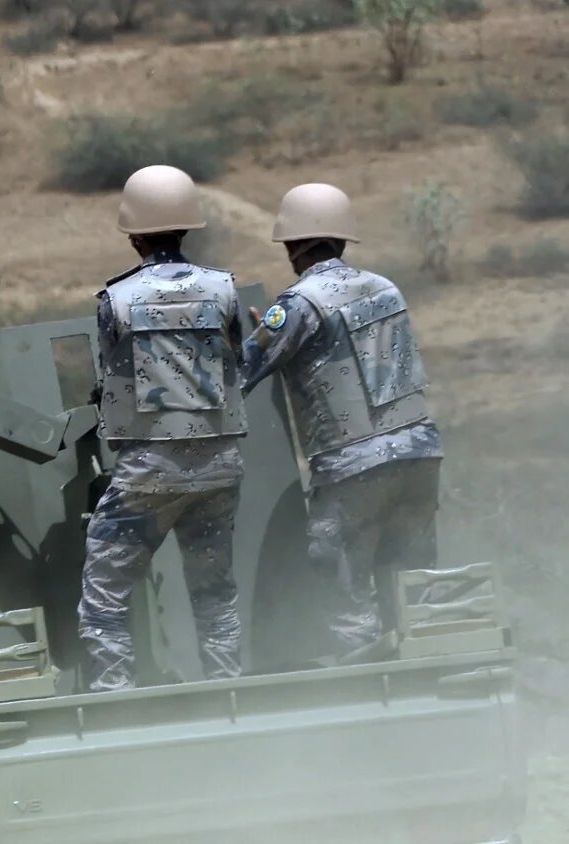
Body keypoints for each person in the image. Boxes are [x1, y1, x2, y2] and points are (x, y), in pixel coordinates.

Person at [242, 183, 443, 654]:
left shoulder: (299, 303)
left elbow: (243, 370)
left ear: (294, 246)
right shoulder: (386, 288)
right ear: (341, 238)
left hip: (353, 467)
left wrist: (256, 336)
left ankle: (370, 690)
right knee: (414, 582)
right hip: (419, 456)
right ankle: (426, 669)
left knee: (345, 584)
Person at [79, 165, 249, 692]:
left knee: (104, 598)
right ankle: (230, 696)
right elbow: (236, 361)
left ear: (134, 234)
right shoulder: (223, 290)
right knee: (215, 594)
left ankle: (118, 706)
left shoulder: (117, 300)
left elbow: (113, 376)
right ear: (187, 227)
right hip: (221, 466)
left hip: (149, 470)